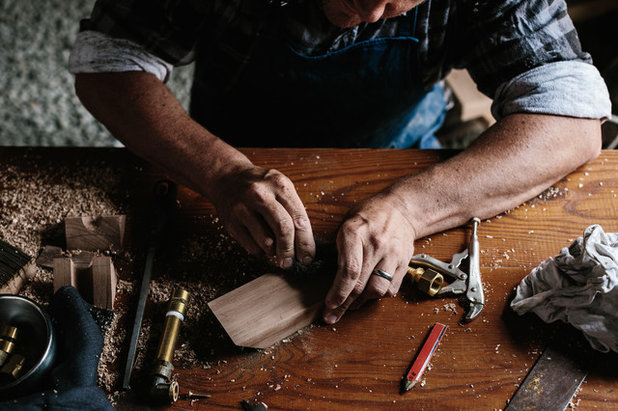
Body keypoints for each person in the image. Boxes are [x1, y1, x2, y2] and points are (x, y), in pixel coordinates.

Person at [70, 0, 611, 325]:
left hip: (403, 153)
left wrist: (411, 209)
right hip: (232, 146)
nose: (366, 18)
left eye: (396, 5)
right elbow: (109, 62)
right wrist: (219, 171)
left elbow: (574, 118)